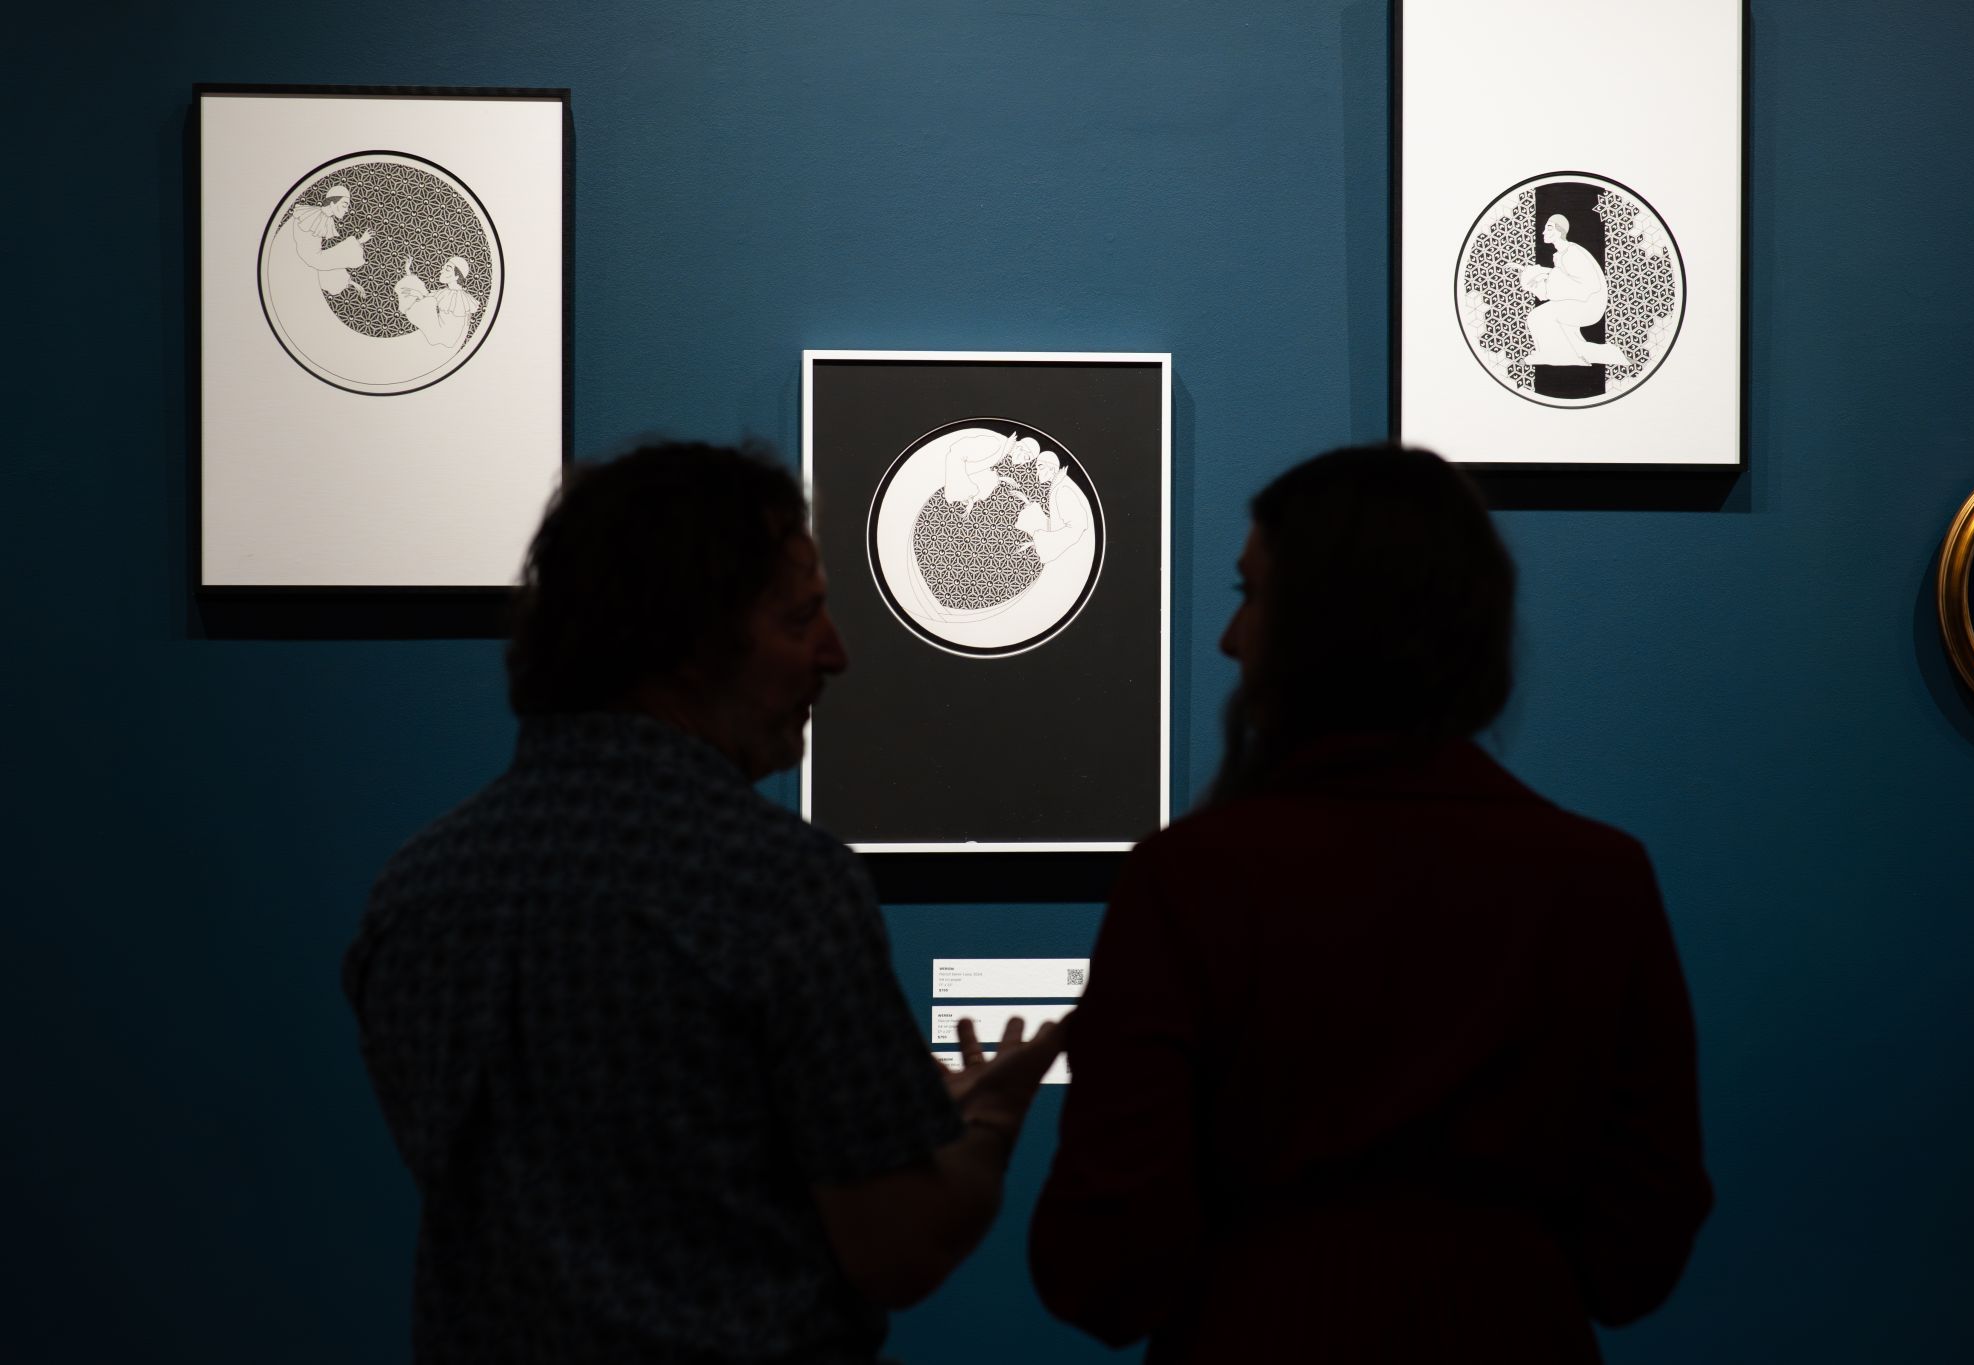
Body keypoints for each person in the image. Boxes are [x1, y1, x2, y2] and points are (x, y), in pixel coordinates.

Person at [343, 441, 1064, 1365]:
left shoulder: (416, 893)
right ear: (686, 647)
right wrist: (992, 1119)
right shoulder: (776, 885)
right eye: (800, 617)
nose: (836, 653)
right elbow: (900, 1247)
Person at [1030, 445, 1711, 1362]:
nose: (1229, 639)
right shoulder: (1598, 877)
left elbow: (1106, 1263)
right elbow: (1643, 1240)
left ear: (1322, 625)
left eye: (1249, 595)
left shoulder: (1189, 878)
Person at [1522, 213, 1630, 367]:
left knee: (1538, 316)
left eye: (1549, 228)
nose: (1544, 232)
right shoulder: (1561, 254)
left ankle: (1555, 356)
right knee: (1568, 338)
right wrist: (1543, 274)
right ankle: (1610, 354)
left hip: (1589, 305)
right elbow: (1565, 278)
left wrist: (1548, 277)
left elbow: (1590, 285)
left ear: (1560, 231)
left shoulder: (1572, 252)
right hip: (1579, 302)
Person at [284, 184, 374, 298]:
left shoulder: (325, 218)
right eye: (344, 205)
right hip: (299, 266)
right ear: (332, 203)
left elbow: (323, 261)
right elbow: (316, 259)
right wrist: (359, 241)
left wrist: (350, 282)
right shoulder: (312, 216)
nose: (347, 210)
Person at [393, 253, 478, 348]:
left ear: (457, 276)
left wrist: (418, 295)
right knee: (424, 297)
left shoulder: (460, 298)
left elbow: (455, 329)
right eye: (443, 268)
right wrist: (408, 271)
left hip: (443, 337)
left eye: (447, 269)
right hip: (440, 333)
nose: (441, 271)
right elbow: (426, 297)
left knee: (427, 301)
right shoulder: (446, 292)